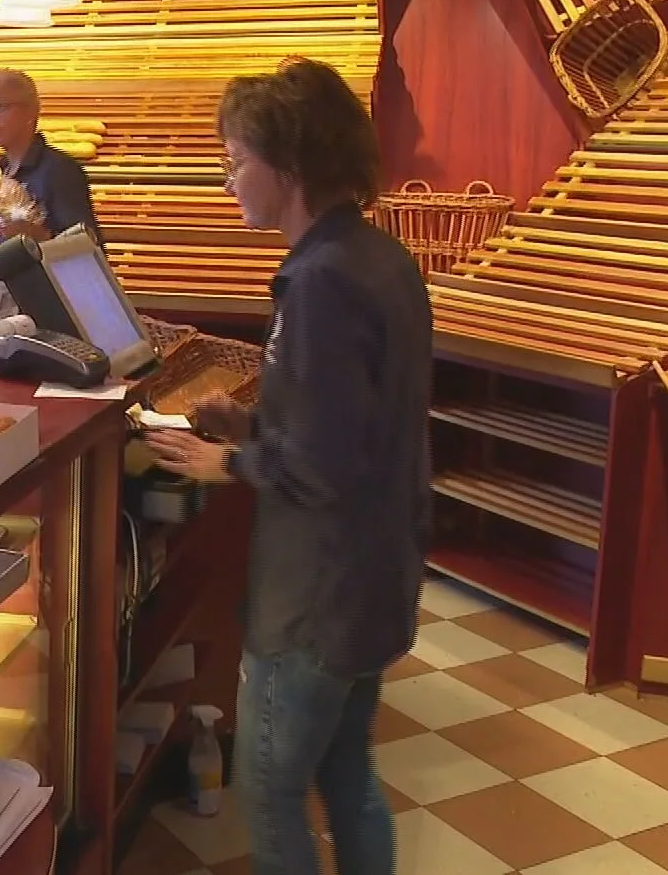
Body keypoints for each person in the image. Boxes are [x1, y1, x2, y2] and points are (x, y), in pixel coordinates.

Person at [146, 59, 431, 875]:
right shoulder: (380, 258)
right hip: (379, 573)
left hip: (319, 592)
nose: (230, 180)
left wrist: (226, 460)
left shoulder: (319, 281)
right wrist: (256, 421)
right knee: (346, 771)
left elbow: (325, 465)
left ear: (291, 165)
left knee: (270, 791)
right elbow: (359, 418)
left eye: (237, 161)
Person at [0, 69, 99, 242]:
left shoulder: (60, 171)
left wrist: (40, 236)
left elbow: (86, 247)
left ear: (30, 111)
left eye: (0, 107)